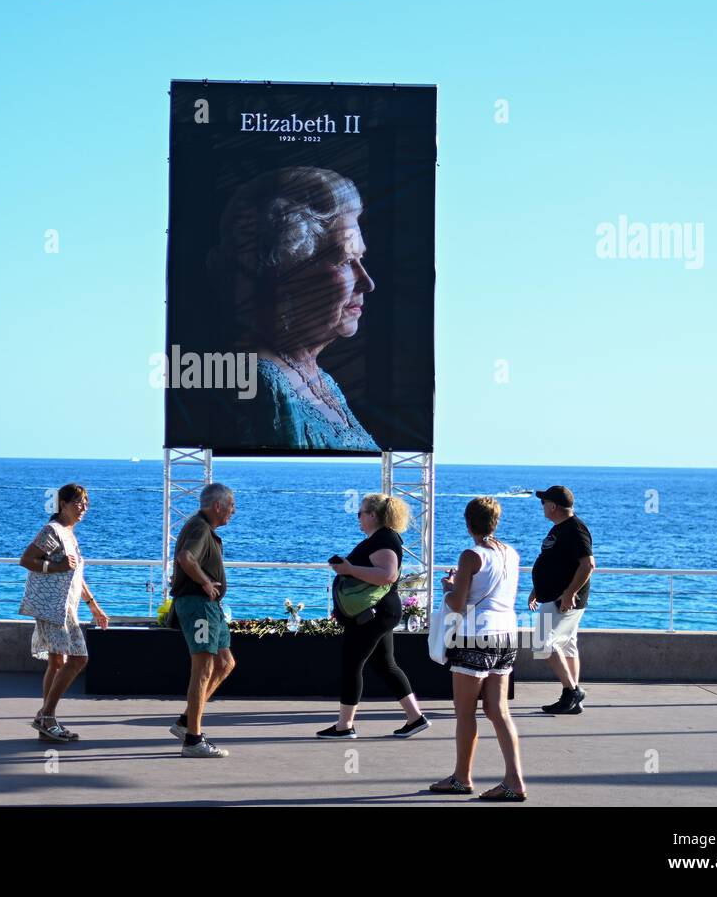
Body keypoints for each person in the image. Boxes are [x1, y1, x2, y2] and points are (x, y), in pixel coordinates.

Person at [209, 166, 379, 450]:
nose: (367, 282)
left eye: (360, 259)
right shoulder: (265, 383)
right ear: (287, 273)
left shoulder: (320, 380)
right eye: (345, 262)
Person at [428, 497, 526, 801]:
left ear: (469, 522)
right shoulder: (511, 553)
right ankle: (514, 780)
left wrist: (448, 587)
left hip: (475, 636)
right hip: (506, 634)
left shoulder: (470, 555)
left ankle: (461, 777)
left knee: (465, 711)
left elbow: (458, 604)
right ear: (495, 521)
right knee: (498, 710)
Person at [320, 493, 430, 739]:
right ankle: (415, 718)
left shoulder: (385, 539)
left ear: (373, 515)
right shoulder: (381, 538)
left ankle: (344, 726)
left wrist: (348, 569)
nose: (358, 517)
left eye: (361, 513)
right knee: (385, 664)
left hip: (373, 615)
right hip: (380, 612)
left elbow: (387, 575)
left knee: (352, 665)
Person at [18, 484, 109, 742]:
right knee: (77, 659)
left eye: (86, 504)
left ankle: (46, 718)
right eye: (78, 503)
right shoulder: (53, 530)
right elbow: (26, 560)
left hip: (67, 607)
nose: (83, 508)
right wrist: (54, 566)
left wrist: (93, 605)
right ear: (63, 505)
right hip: (51, 607)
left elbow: (77, 576)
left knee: (58, 662)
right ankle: (46, 717)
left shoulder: (69, 533)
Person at [167, 483, 237, 758]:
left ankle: (186, 722)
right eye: (231, 505)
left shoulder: (205, 529)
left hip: (210, 608)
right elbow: (186, 557)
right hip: (198, 606)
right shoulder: (198, 527)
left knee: (225, 663)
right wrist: (206, 582)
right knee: (203, 669)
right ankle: (194, 741)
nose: (233, 511)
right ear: (217, 505)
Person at [529, 485, 594, 715]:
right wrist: (537, 588)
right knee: (567, 645)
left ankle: (572, 691)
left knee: (541, 642)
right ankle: (574, 700)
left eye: (544, 503)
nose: (542, 507)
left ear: (554, 506)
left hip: (562, 599)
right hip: (552, 595)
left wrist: (569, 593)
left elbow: (588, 565)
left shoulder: (575, 529)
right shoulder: (559, 528)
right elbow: (551, 560)